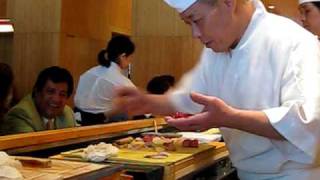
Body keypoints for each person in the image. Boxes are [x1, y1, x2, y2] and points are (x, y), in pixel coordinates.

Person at [114, 0, 320, 179]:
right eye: (187, 23)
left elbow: (307, 121)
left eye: (196, 20)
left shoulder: (293, 41)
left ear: (228, 2)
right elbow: (191, 97)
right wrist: (147, 102)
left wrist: (229, 117)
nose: (195, 33)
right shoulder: (217, 51)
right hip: (246, 172)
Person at [74, 35, 136, 125]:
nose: (130, 61)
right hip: (98, 125)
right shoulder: (121, 82)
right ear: (123, 56)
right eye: (130, 57)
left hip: (76, 122)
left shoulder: (89, 72)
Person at [0, 66, 76, 135]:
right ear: (37, 92)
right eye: (50, 92)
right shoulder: (20, 114)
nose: (56, 99)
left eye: (62, 94)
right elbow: (32, 148)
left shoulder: (67, 113)